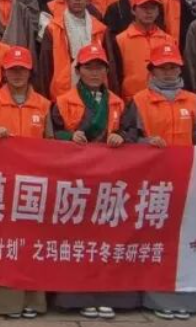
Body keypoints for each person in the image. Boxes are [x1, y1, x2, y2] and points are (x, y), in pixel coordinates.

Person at [121, 42, 196, 320]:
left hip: (187, 181)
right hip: (152, 184)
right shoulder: (139, 101)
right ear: (152, 70)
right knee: (153, 242)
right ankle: (155, 299)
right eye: (162, 67)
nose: (168, 72)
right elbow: (128, 137)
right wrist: (146, 142)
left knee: (183, 241)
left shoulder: (192, 100)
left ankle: (188, 299)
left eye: (173, 67)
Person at [51, 43, 135, 319]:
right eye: (89, 67)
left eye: (100, 67)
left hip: (109, 180)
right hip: (75, 179)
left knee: (106, 238)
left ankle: (106, 294)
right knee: (76, 239)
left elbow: (131, 131)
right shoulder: (63, 101)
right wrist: (69, 137)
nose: (95, 72)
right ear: (79, 70)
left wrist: (121, 136)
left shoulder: (118, 103)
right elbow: (51, 134)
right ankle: (77, 296)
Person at [0, 47, 51, 319]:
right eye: (12, 70)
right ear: (4, 72)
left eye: (21, 70)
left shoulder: (44, 105)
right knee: (5, 245)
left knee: (33, 245)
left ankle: (34, 301)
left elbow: (51, 145)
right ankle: (6, 303)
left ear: (30, 72)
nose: (17, 75)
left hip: (34, 186)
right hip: (1, 184)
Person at [37, 0, 110, 99]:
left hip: (96, 91)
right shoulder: (52, 29)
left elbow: (110, 65)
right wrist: (45, 98)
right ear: (66, 0)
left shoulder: (100, 29)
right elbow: (45, 67)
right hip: (62, 93)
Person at [113, 0, 176, 103]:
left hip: (163, 101)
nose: (149, 12)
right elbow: (115, 76)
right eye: (144, 7)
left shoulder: (169, 40)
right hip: (131, 101)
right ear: (133, 10)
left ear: (158, 11)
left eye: (153, 8)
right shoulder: (120, 40)